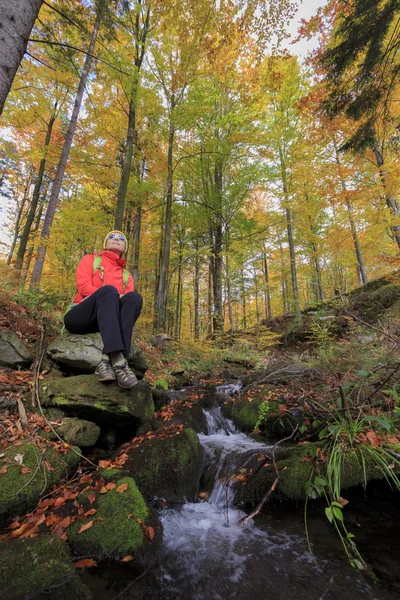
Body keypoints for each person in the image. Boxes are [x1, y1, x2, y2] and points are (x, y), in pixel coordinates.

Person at [64, 230, 143, 389]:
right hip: (82, 316)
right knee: (109, 291)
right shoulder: (91, 260)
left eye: (121, 238)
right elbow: (83, 287)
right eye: (112, 237)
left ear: (125, 247)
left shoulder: (126, 275)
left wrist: (118, 297)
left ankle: (107, 361)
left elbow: (126, 308)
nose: (116, 239)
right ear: (105, 243)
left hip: (107, 322)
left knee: (135, 298)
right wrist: (113, 295)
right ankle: (119, 361)